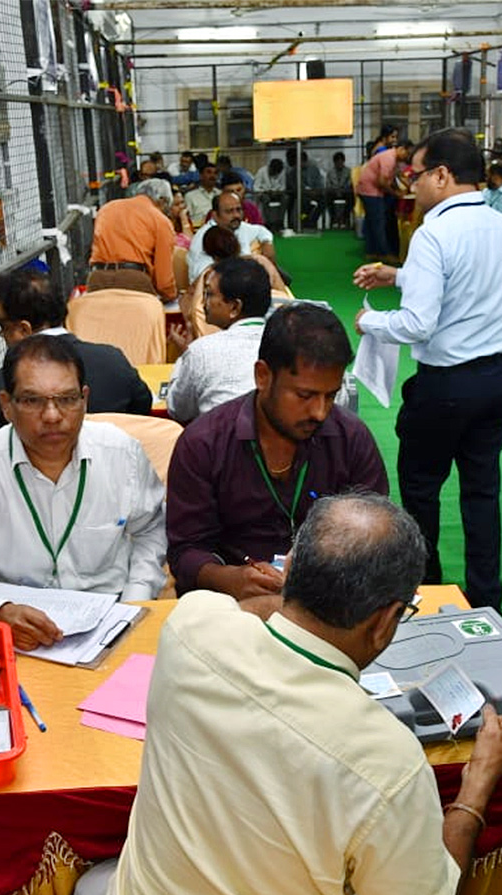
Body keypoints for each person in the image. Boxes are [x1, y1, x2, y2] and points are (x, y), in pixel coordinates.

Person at [113, 492, 502, 895]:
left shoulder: (190, 623)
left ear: (289, 568)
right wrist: (475, 790)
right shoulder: (389, 762)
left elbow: (245, 611)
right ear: (385, 622)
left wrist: (300, 595)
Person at [0, 334, 167, 649]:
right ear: (6, 406)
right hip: (19, 632)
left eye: (67, 399)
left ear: (85, 399)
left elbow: (152, 531)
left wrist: (133, 605)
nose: (53, 415)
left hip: (111, 619)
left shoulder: (121, 453)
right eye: (32, 400)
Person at [354, 129, 502, 612]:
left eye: (417, 175)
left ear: (442, 176)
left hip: (446, 383)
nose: (412, 185)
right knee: (481, 489)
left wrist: (371, 322)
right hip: (498, 379)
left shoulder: (433, 233)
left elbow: (417, 323)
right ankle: (486, 597)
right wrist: (397, 275)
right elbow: (467, 283)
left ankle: (427, 591)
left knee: (422, 488)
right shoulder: (500, 225)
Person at [166, 303, 387, 599]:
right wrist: (226, 578)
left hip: (330, 601)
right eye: (305, 395)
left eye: (331, 396)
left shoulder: (351, 438)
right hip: (232, 605)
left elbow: (375, 531)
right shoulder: (204, 443)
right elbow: (186, 550)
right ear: (263, 376)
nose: (320, 412)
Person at [0, 267, 151, 440]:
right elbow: (143, 409)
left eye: (2, 327)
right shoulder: (114, 360)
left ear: (24, 330)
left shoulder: (0, 386)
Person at [166, 257, 271, 423]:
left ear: (235, 307)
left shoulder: (202, 351)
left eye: (209, 294)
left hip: (220, 445)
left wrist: (185, 359)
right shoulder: (285, 343)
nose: (203, 302)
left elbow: (177, 410)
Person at [86, 179, 177, 300]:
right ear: (162, 200)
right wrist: (170, 295)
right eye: (167, 207)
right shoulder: (160, 220)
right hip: (134, 282)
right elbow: (163, 279)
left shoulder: (107, 208)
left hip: (97, 279)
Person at [185, 190, 276, 283]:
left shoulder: (238, 227)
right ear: (215, 215)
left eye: (238, 210)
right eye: (229, 211)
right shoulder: (203, 238)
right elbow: (203, 275)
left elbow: (261, 230)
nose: (236, 215)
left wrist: (267, 242)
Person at [357, 143, 409, 261]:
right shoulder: (389, 158)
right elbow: (382, 182)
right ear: (401, 148)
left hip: (367, 189)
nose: (407, 157)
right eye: (407, 153)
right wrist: (395, 193)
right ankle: (384, 254)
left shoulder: (392, 158)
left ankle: (372, 252)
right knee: (378, 223)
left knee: (372, 223)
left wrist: (403, 187)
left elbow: (395, 176)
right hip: (371, 191)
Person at [183, 162, 220, 227]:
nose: (213, 176)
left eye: (215, 173)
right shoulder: (190, 196)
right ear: (201, 175)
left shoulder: (221, 194)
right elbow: (187, 220)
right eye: (209, 172)